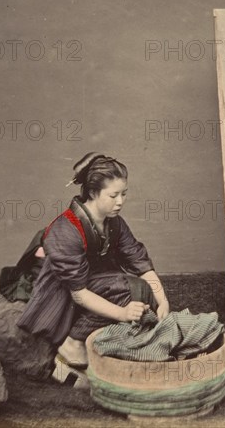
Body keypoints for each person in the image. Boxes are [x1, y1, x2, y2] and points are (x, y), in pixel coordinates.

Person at [18, 152, 169, 367]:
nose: (120, 202)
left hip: (95, 280)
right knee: (129, 291)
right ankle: (73, 342)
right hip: (62, 292)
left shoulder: (114, 222)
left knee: (146, 293)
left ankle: (105, 339)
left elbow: (140, 262)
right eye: (113, 195)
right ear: (93, 192)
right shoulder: (66, 230)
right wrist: (122, 313)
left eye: (124, 194)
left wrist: (163, 300)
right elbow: (78, 294)